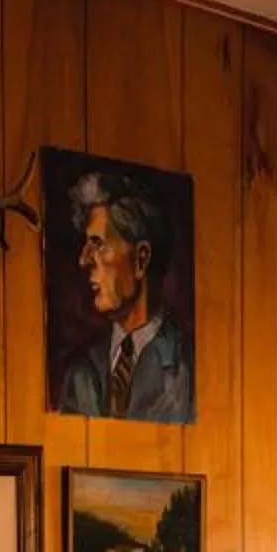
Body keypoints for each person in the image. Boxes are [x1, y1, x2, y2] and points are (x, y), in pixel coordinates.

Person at [53, 167, 190, 423]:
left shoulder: (186, 368)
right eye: (85, 245)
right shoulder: (80, 371)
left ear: (141, 259)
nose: (83, 260)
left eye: (99, 245)